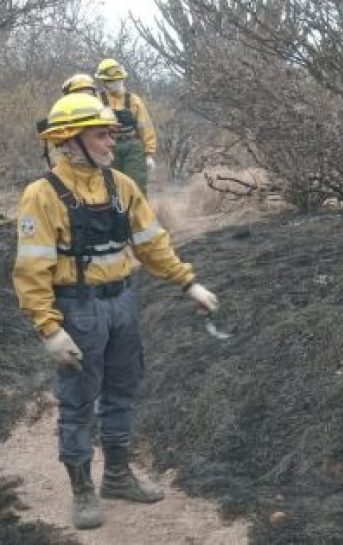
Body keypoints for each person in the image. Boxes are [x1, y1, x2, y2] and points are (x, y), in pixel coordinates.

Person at [11, 93, 219, 530]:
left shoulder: (121, 187)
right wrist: (50, 330)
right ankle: (83, 490)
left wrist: (188, 283)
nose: (111, 143)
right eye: (102, 134)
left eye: (110, 134)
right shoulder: (41, 196)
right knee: (77, 402)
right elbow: (31, 270)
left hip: (123, 302)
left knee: (122, 391)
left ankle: (119, 475)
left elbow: (152, 244)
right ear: (70, 140)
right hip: (78, 309)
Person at [94, 58, 157, 195]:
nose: (115, 83)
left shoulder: (133, 100)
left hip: (133, 147)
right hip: (108, 147)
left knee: (137, 186)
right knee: (110, 187)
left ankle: (139, 216)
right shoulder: (97, 101)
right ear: (104, 82)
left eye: (118, 80)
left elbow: (145, 127)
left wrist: (149, 154)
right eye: (111, 81)